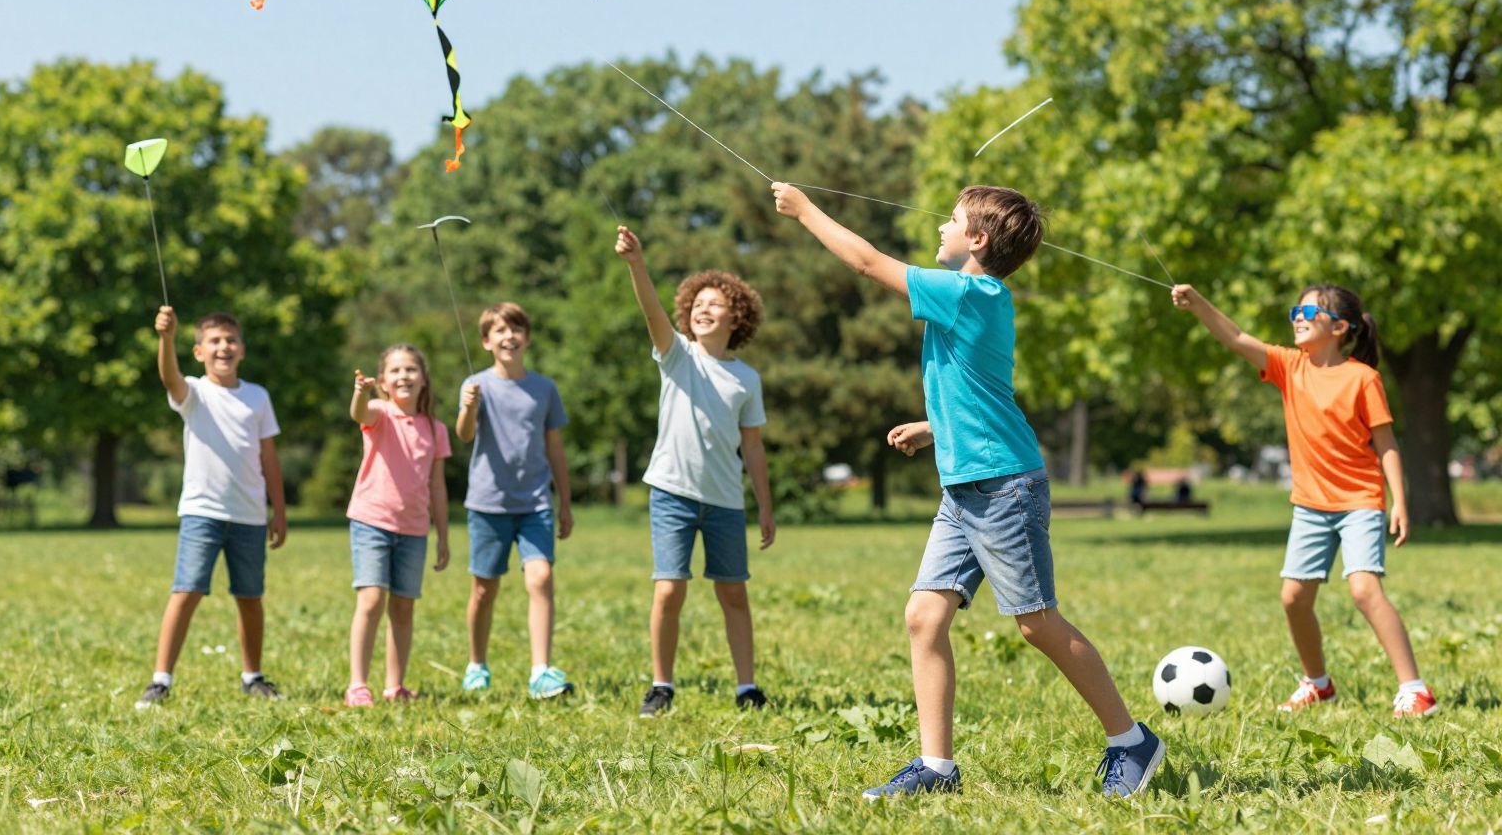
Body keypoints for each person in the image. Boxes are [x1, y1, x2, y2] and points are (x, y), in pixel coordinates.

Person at [772, 182, 1164, 799]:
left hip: (1004, 486)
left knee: (1037, 623)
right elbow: (979, 387)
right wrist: (937, 428)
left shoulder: (965, 290)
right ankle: (937, 769)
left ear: (978, 240)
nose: (939, 229)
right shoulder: (980, 297)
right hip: (965, 484)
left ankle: (1131, 740)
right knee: (924, 617)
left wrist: (804, 209)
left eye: (949, 221)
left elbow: (866, 262)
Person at [1172, 282, 1436, 718]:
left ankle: (1415, 689)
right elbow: (1236, 338)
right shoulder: (1289, 367)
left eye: (1309, 312)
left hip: (1359, 501)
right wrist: (1198, 303)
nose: (1298, 316)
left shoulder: (1362, 378)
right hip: (1311, 506)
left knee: (1364, 590)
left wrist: (1400, 502)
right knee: (1294, 598)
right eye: (1297, 309)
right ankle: (1318, 683)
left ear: (1340, 327)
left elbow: (1386, 444)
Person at [614, 226, 776, 718]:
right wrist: (637, 265)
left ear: (737, 316)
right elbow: (651, 312)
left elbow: (753, 446)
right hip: (672, 493)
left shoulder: (746, 378)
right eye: (697, 303)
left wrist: (764, 506)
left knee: (733, 593)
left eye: (716, 303)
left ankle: (747, 687)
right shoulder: (677, 356)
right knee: (669, 587)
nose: (703, 309)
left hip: (725, 500)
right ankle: (661, 685)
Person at [136, 307, 287, 709]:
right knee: (186, 592)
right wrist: (165, 339)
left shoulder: (258, 397)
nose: (224, 347)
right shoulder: (194, 392)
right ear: (199, 351)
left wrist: (280, 509)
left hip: (250, 516)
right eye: (214, 341)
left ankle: (252, 676)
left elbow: (268, 456)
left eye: (231, 340)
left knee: (250, 596)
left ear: (243, 350)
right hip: (202, 512)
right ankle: (160, 680)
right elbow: (168, 376)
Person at [456, 303, 575, 699]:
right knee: (484, 590)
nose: (509, 336)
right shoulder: (476, 385)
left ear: (527, 337)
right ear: (486, 341)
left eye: (517, 329)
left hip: (535, 503)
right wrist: (469, 407)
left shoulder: (544, 389)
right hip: (489, 504)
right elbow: (464, 434)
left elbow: (555, 448)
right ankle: (476, 663)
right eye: (500, 330)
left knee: (540, 578)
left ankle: (541, 670)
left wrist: (565, 501)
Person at [344, 344, 451, 706]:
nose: (404, 376)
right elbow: (359, 412)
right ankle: (358, 684)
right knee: (371, 599)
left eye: (411, 370)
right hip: (372, 521)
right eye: (395, 371)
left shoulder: (435, 430)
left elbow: (437, 486)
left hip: (415, 530)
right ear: (384, 382)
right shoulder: (379, 413)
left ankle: (395, 685)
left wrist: (443, 536)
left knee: (403, 607)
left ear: (423, 380)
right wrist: (360, 392)